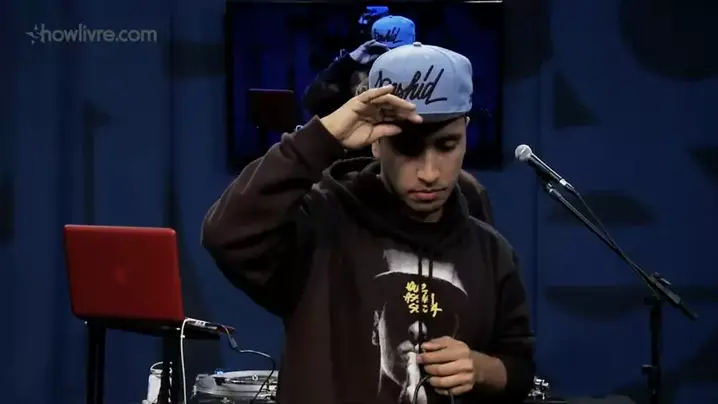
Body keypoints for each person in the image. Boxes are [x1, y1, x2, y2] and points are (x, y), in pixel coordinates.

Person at [202, 42, 534, 404]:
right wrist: (324, 136)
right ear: (376, 142)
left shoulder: (491, 252)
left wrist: (482, 369)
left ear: (466, 133)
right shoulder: (320, 228)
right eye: (407, 148)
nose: (429, 173)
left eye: (447, 145)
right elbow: (227, 234)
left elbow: (518, 367)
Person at [302, 15, 416, 118]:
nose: (389, 57)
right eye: (383, 52)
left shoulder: (421, 72)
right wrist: (347, 62)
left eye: (396, 51)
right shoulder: (360, 79)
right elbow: (313, 102)